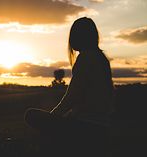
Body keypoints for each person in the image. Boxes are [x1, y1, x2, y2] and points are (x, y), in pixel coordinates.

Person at [24, 17, 114, 153]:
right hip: (102, 125)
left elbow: (71, 97)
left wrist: (52, 117)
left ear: (81, 37)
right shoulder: (101, 58)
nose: (71, 40)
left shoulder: (86, 57)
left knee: (30, 114)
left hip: (86, 126)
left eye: (75, 35)